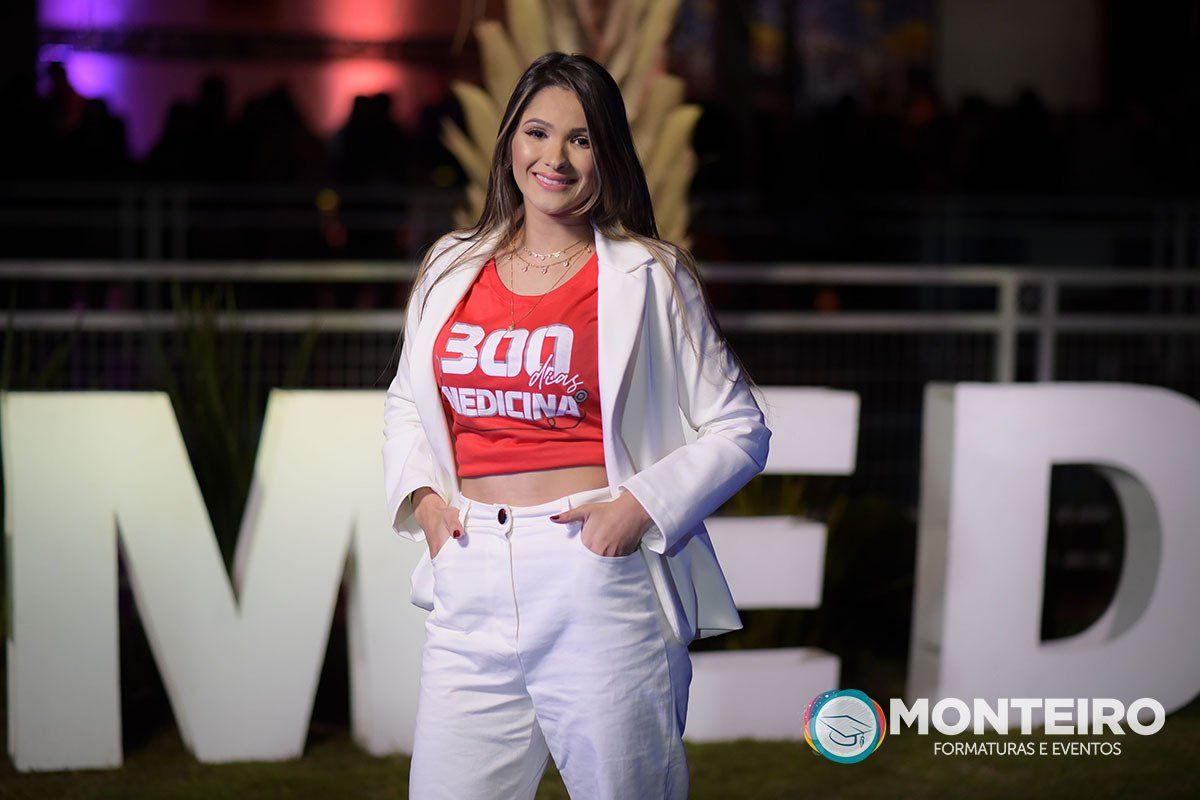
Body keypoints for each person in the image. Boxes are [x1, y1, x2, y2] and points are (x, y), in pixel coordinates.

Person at [382, 52, 771, 800]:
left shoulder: (649, 274)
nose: (554, 157)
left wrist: (637, 509)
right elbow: (406, 401)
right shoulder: (449, 265)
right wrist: (425, 504)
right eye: (537, 132)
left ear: (609, 154)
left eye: (581, 139)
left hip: (596, 579)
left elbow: (739, 427)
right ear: (510, 141)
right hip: (469, 572)